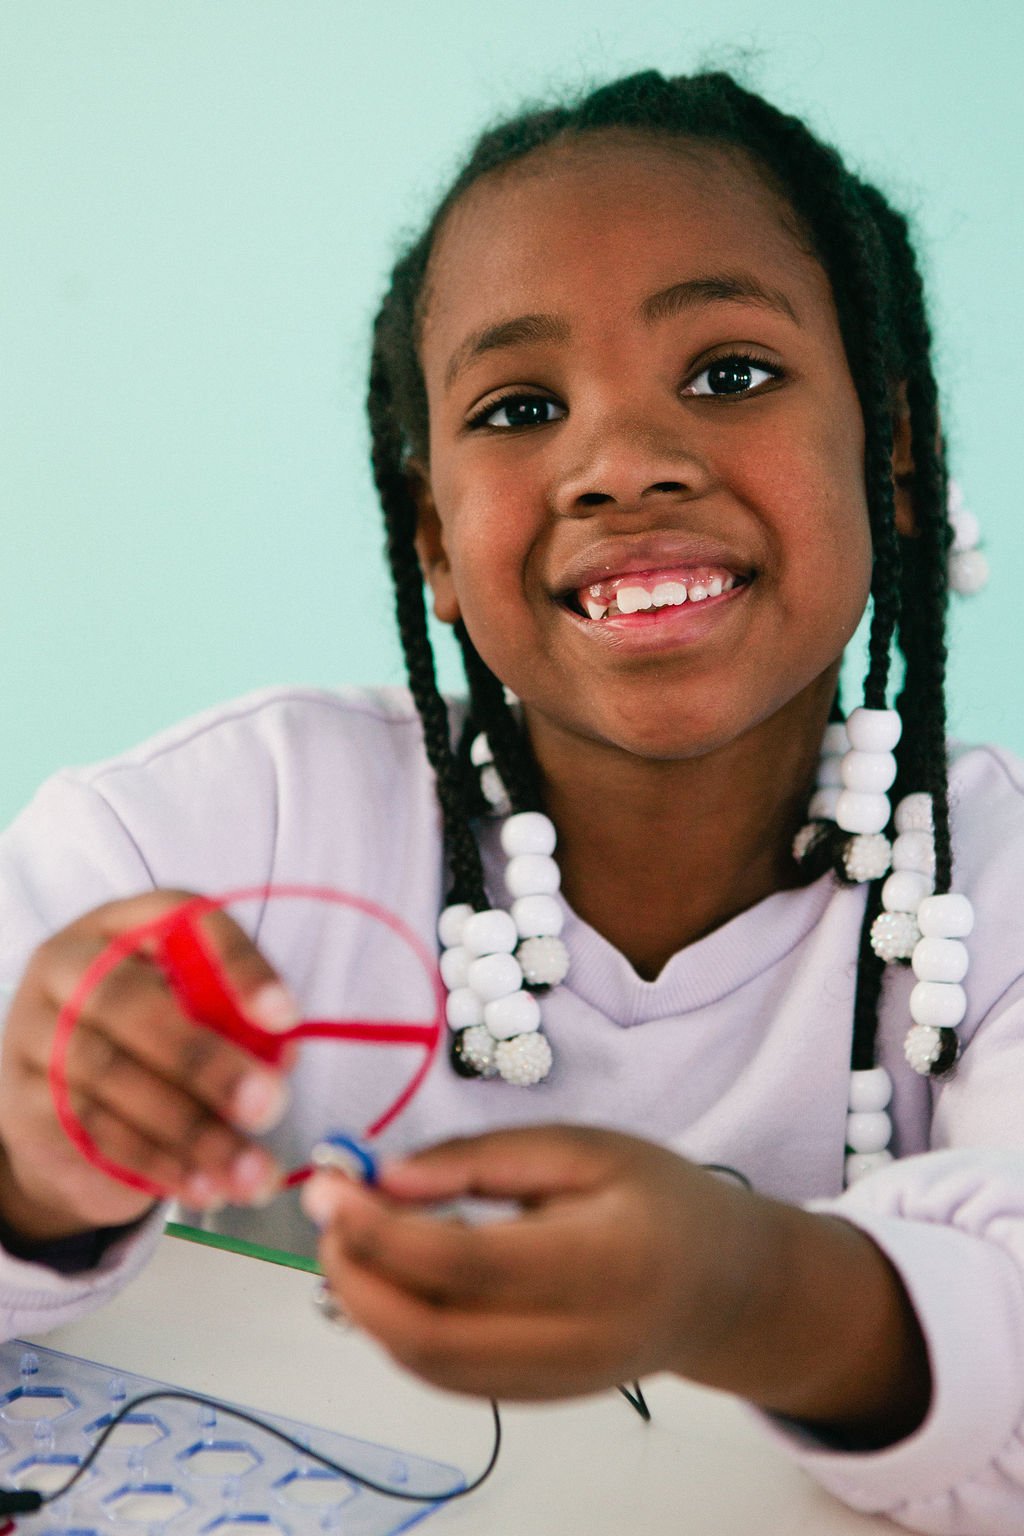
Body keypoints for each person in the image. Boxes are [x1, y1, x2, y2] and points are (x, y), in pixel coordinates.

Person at [0, 67, 1018, 1534]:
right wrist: (35, 1164)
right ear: (432, 540)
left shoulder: (996, 879)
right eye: (521, 405)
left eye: (728, 373)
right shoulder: (220, 833)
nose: (621, 466)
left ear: (898, 448)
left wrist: (740, 1284)